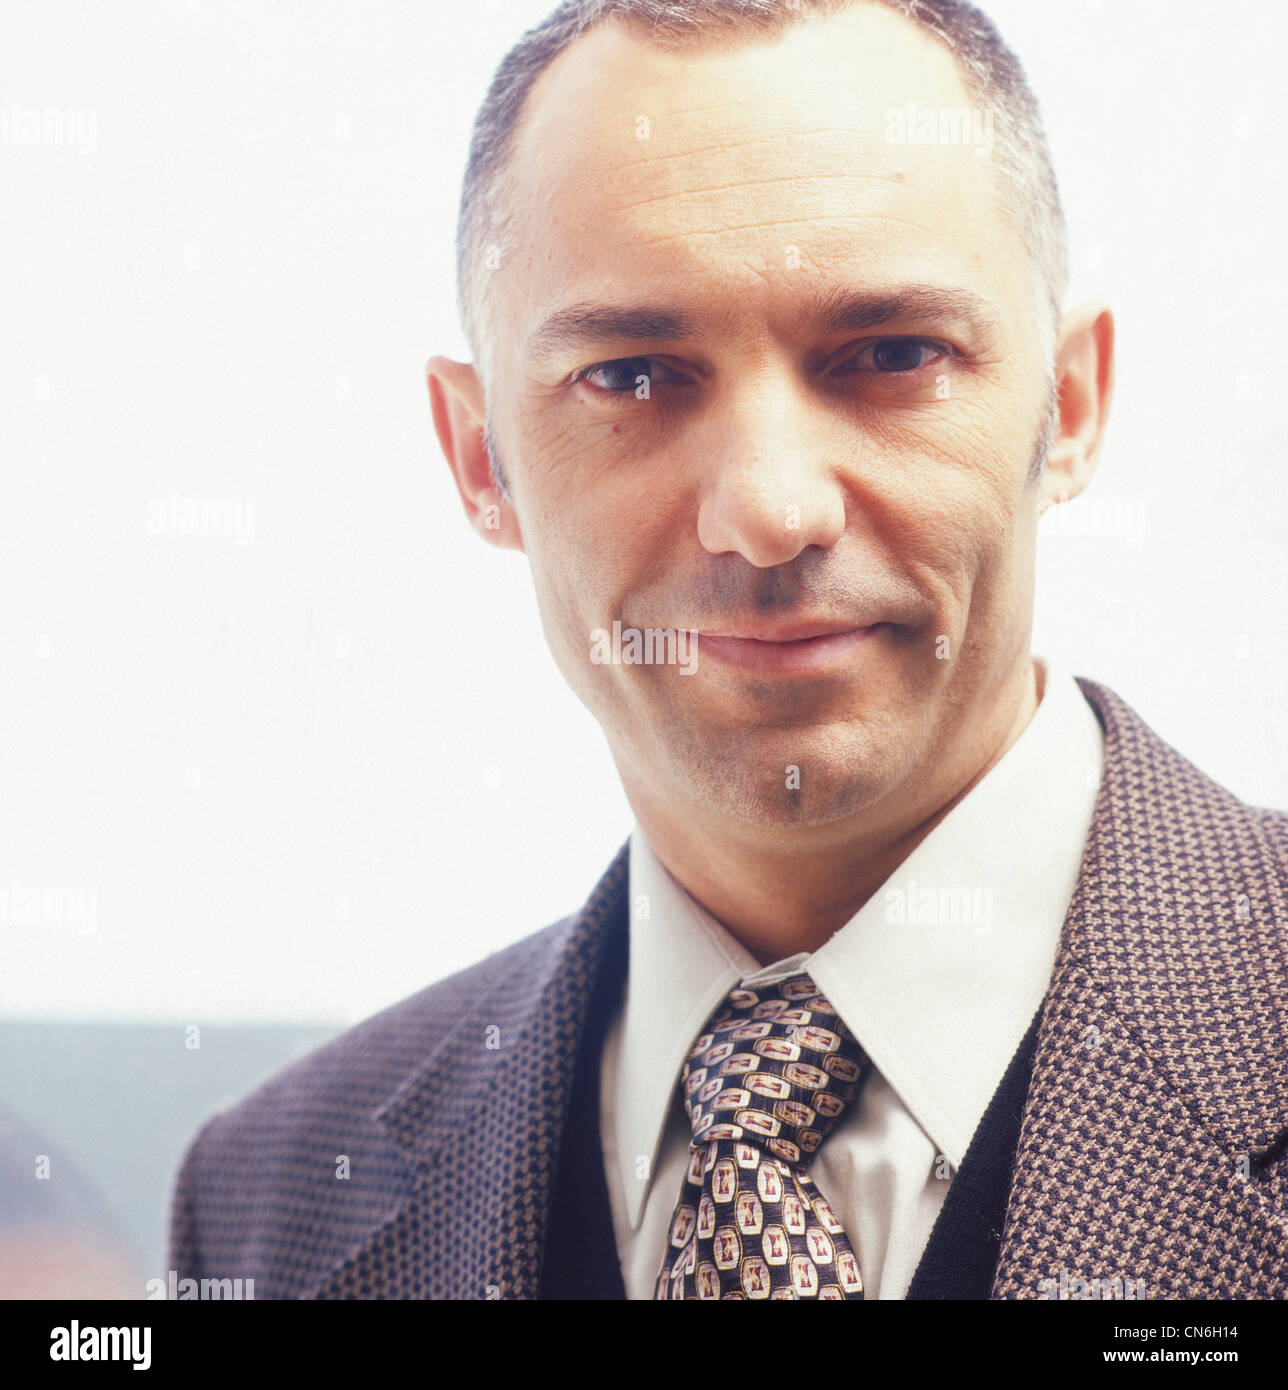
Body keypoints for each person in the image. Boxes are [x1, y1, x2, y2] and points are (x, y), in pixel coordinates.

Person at [167, 0, 1288, 1299]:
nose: (768, 512)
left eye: (888, 354)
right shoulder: (271, 1199)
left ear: (1070, 404)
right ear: (481, 459)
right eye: (635, 375)